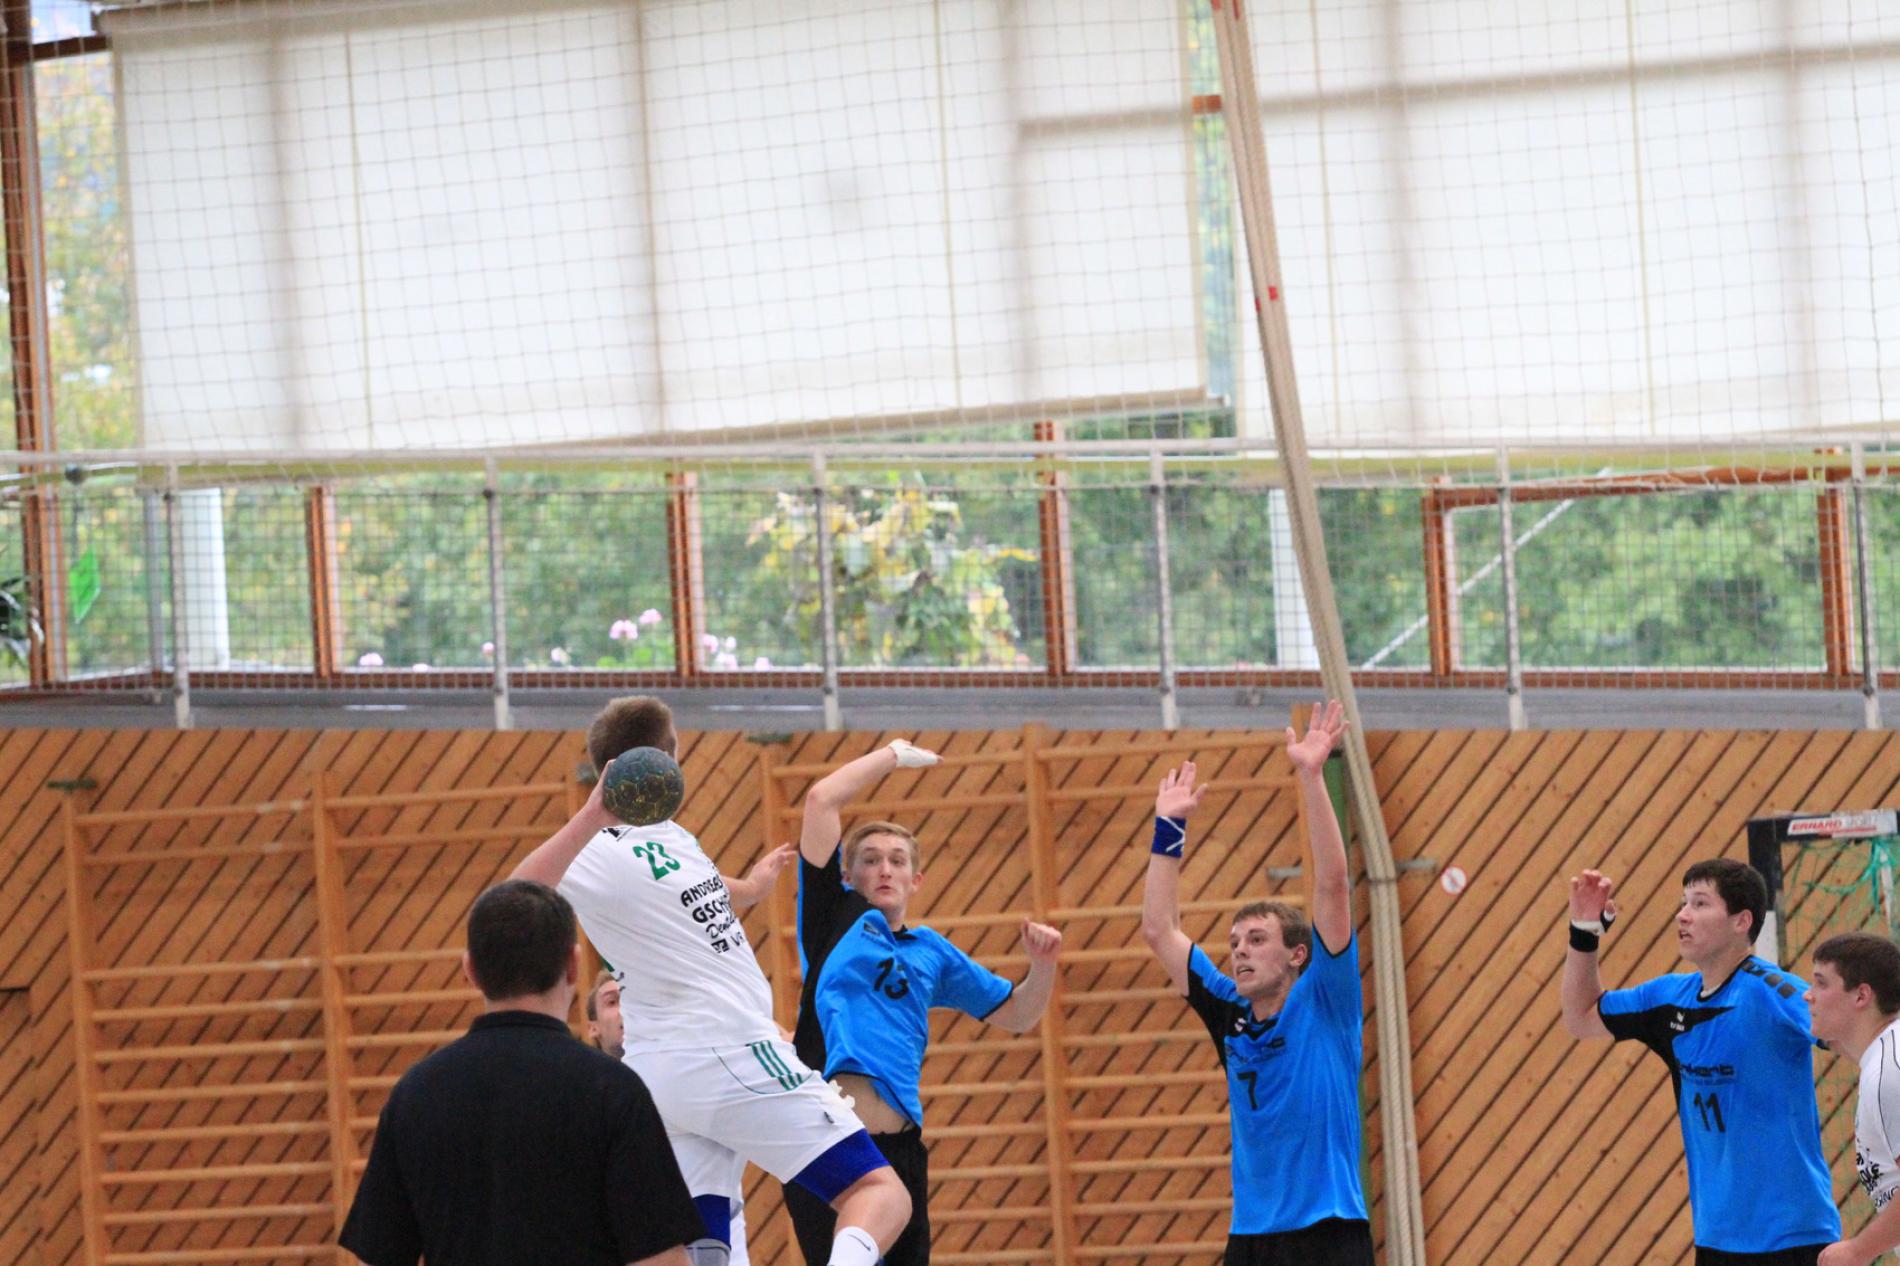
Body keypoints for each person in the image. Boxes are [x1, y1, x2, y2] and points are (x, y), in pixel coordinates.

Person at [512, 695, 912, 1266]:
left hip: (663, 1079)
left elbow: (696, 884)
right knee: (880, 1193)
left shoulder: (671, 835)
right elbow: (512, 896)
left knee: (706, 1245)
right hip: (728, 1049)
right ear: (670, 759)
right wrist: (593, 814)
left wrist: (750, 889)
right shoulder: (595, 848)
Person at [782, 737, 1064, 1265]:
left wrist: (1043, 966)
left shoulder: (931, 951)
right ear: (848, 876)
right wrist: (892, 754)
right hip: (829, 1138)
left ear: (916, 879)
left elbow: (1019, 1014)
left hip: (901, 1151)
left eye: (897, 861)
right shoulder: (833, 917)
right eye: (870, 860)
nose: (884, 870)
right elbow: (821, 799)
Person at [339, 879, 702, 1266]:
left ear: (470, 969)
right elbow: (660, 1261)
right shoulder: (613, 1090)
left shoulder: (415, 1094)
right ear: (574, 965)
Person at [1139, 700, 1372, 1266]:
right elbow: (1159, 929)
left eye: (1257, 939)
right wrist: (1169, 829)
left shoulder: (1325, 998)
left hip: (1329, 1231)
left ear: (1297, 955)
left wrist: (1310, 775)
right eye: (1235, 941)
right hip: (1251, 1238)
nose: (1240, 950)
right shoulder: (1228, 1011)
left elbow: (1332, 885)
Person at [1561, 858, 1839, 1264]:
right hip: (1717, 1239)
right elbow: (1581, 1017)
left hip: (1794, 1238)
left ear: (1742, 921)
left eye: (1700, 903)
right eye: (1683, 902)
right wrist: (1584, 933)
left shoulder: (1773, 992)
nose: (1683, 914)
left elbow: (1852, 1031)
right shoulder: (1668, 998)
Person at [587, 971, 751, 1266]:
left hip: (714, 1239)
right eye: (612, 1002)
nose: (624, 1010)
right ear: (592, 1027)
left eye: (628, 998)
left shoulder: (698, 1072)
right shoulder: (589, 1100)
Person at [1807, 932, 1900, 1266]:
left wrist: (1857, 1250)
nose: (1807, 995)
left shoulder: (1890, 1072)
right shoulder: (1882, 1057)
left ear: (1861, 995)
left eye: (1821, 983)